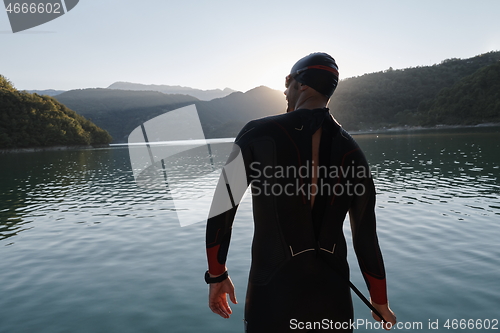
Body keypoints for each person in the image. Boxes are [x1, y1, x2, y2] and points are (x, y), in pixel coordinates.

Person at [205, 52, 397, 332]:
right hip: (334, 299)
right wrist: (379, 302)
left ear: (302, 84)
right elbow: (366, 236)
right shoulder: (353, 152)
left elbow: (222, 209)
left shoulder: (258, 134)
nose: (285, 90)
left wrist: (217, 275)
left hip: (272, 294)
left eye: (287, 82)